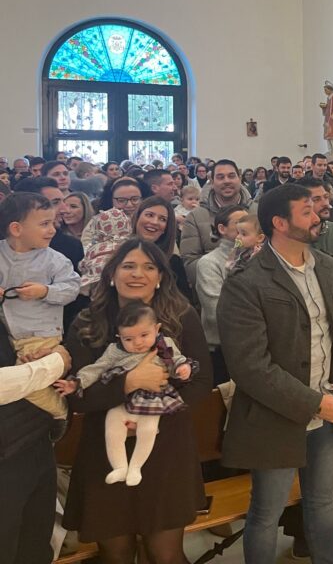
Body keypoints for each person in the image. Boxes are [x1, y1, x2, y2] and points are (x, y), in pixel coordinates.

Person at [217, 183, 333, 564]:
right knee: (267, 512)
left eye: (316, 208)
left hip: (331, 409)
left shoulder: (330, 269)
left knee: (322, 501)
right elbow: (250, 365)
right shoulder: (247, 282)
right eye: (307, 211)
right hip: (277, 415)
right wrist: (315, 403)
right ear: (279, 222)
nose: (318, 216)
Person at [64, 239, 213, 562]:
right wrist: (128, 383)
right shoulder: (87, 323)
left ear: (160, 276)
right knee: (116, 553)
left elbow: (202, 380)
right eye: (128, 266)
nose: (138, 274)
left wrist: (158, 410)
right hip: (105, 450)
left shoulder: (181, 317)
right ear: (111, 274)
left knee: (165, 553)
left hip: (166, 446)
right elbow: (75, 395)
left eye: (148, 267)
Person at [55, 301, 195, 486]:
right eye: (128, 339)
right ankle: (120, 466)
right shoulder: (115, 351)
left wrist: (182, 368)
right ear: (119, 336)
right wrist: (77, 382)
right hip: (122, 399)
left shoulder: (163, 344)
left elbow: (175, 361)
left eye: (144, 335)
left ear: (156, 328)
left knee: (149, 430)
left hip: (153, 398)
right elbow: (97, 368)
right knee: (112, 426)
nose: (137, 342)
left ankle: (136, 467)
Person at [0, 192, 80, 422]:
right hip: (7, 333)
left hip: (40, 335)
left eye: (53, 222)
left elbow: (73, 287)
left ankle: (62, 414)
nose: (53, 230)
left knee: (28, 381)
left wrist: (44, 291)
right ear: (16, 229)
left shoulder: (55, 260)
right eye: (44, 224)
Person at [0, 332, 72, 564]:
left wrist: (48, 350)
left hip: (35, 441)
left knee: (35, 550)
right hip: (7, 458)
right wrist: (55, 363)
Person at [194, 205, 248, 384]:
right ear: (222, 229)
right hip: (223, 350)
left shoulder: (259, 259)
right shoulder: (209, 263)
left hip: (256, 347)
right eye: (240, 222)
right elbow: (215, 312)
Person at [180, 159, 256, 285]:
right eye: (220, 177)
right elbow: (190, 263)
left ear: (239, 178)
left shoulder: (256, 211)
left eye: (231, 176)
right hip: (214, 287)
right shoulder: (196, 217)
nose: (226, 181)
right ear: (212, 181)